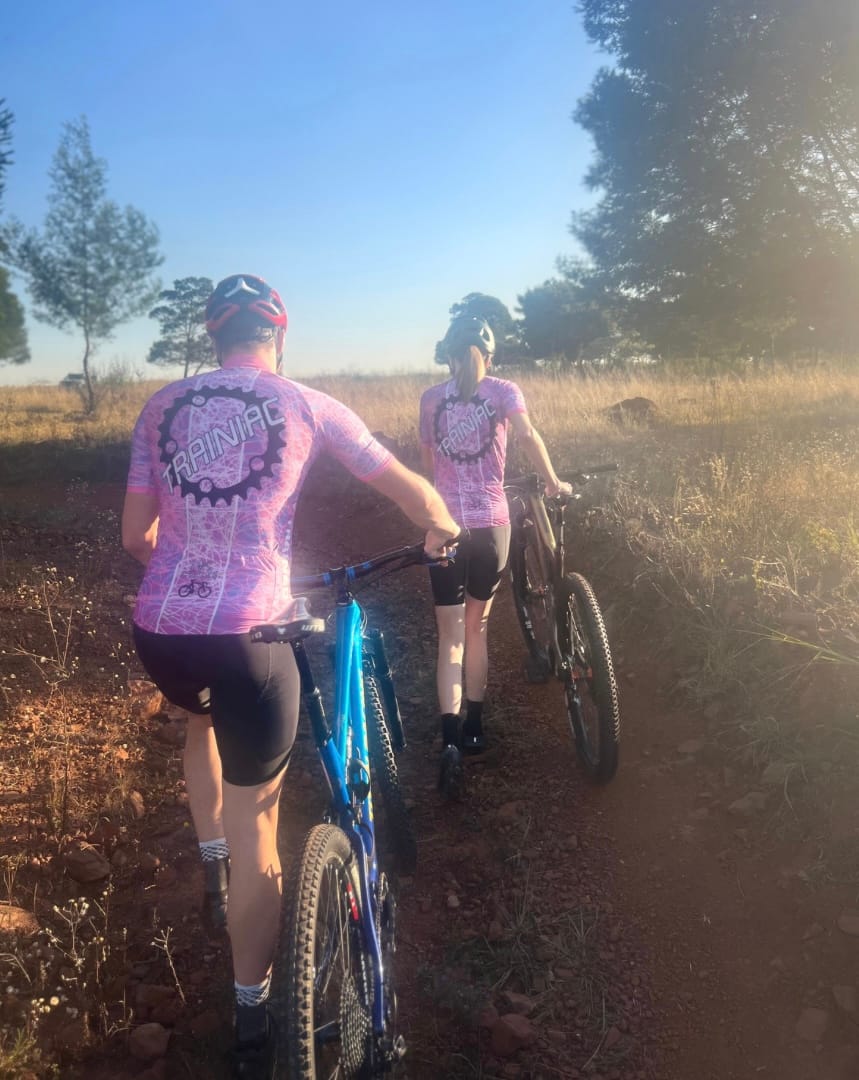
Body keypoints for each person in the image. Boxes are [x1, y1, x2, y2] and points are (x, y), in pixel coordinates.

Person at [122, 273, 459, 1079]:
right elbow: (404, 486)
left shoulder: (159, 408)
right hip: (254, 630)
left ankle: (209, 864)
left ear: (212, 335)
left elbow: (137, 535)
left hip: (162, 631)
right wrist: (441, 523)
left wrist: (188, 573)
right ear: (279, 334)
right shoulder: (307, 404)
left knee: (199, 720)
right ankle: (252, 1018)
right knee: (260, 832)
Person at [419, 314, 571, 781]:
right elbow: (527, 436)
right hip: (491, 526)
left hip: (446, 527)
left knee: (450, 637)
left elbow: (427, 465)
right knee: (477, 628)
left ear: (449, 356)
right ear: (490, 356)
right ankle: (475, 730)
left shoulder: (430, 399)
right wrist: (553, 481)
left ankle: (448, 738)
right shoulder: (505, 391)